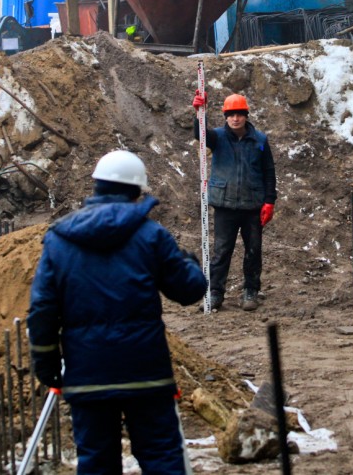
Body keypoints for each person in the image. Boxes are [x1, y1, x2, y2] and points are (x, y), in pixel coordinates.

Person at [27, 150, 206, 474]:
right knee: (162, 456)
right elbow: (190, 290)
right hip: (146, 373)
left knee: (96, 463)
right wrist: (190, 263)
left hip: (87, 376)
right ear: (137, 191)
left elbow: (41, 310)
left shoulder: (58, 240)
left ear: (95, 186)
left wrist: (47, 366)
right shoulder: (152, 236)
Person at [192, 91, 277, 312]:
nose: (235, 118)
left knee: (253, 250)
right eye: (231, 114)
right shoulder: (218, 137)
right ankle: (215, 292)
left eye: (239, 114)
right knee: (221, 251)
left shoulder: (260, 140)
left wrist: (270, 200)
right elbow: (201, 135)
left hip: (252, 206)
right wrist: (199, 114)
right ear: (226, 116)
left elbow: (268, 171)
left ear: (246, 115)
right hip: (225, 205)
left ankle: (250, 290)